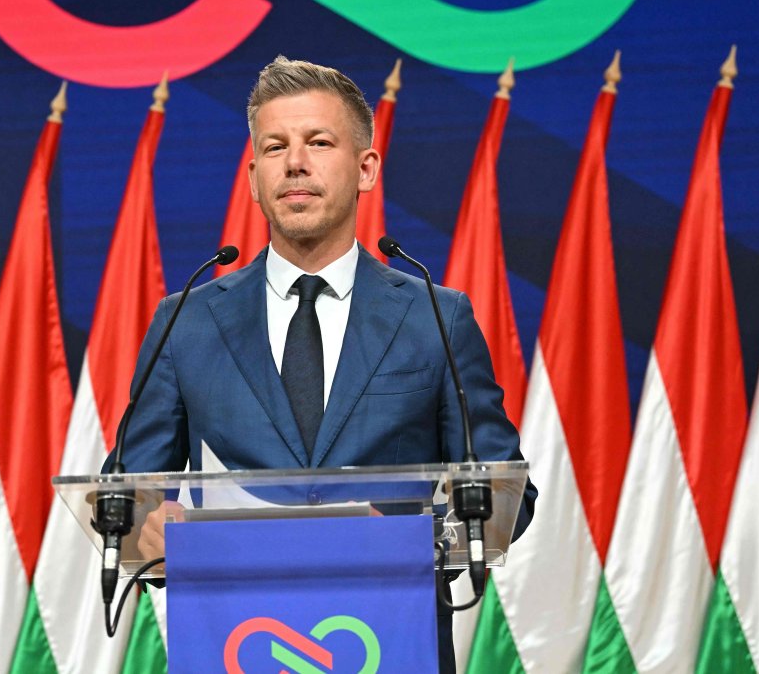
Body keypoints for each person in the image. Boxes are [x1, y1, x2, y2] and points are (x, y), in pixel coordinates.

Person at [104, 55, 536, 672]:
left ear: (365, 168)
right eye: (275, 147)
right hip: (235, 641)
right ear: (254, 177)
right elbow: (123, 493)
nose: (295, 162)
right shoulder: (188, 321)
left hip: (392, 640)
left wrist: (411, 535)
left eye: (319, 141)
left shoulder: (434, 317)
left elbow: (508, 497)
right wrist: (147, 524)